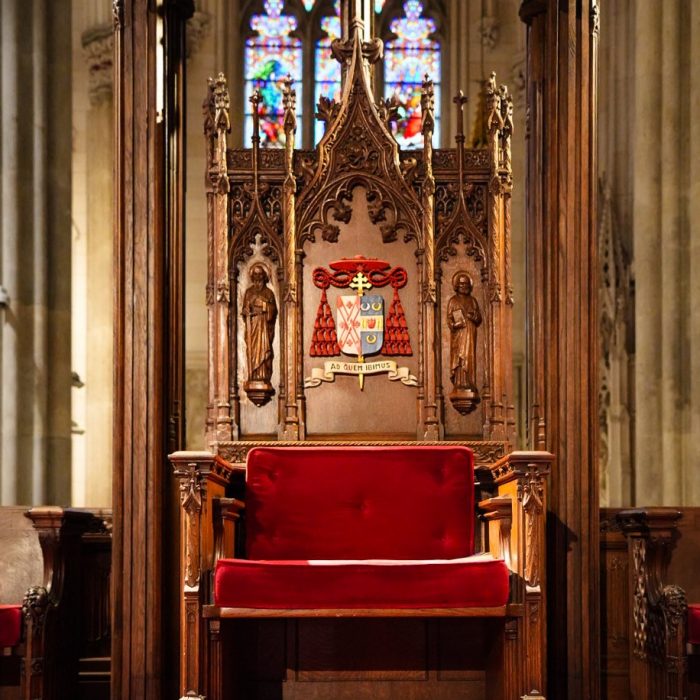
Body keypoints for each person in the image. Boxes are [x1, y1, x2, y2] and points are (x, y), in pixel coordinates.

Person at [242, 263, 277, 387]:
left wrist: (263, 305)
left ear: (264, 276)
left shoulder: (268, 293)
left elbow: (272, 312)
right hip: (253, 327)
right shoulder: (248, 292)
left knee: (264, 351)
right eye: (255, 274)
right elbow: (244, 310)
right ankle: (253, 374)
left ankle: (263, 376)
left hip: (263, 328)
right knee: (252, 351)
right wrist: (246, 312)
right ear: (252, 276)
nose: (258, 276)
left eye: (260, 274)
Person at [447, 271, 482, 393]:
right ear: (457, 286)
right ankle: (459, 383)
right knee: (459, 359)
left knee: (468, 357)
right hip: (458, 336)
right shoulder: (453, 301)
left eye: (466, 284)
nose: (464, 287)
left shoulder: (472, 300)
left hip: (470, 335)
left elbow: (478, 318)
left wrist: (473, 317)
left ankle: (469, 382)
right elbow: (449, 320)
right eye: (461, 284)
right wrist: (456, 324)